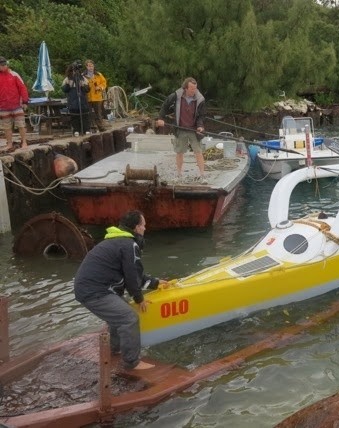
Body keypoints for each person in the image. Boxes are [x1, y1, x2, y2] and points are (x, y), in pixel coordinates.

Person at [74, 210, 166, 371]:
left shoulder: (118, 241)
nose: (145, 228)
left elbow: (134, 273)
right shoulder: (129, 245)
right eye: (144, 225)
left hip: (92, 288)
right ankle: (132, 362)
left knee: (118, 317)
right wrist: (139, 299)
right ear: (137, 227)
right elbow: (131, 277)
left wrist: (156, 283)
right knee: (129, 318)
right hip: (95, 291)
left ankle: (113, 350)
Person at [156, 77, 206, 179]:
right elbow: (165, 105)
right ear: (185, 88)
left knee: (198, 151)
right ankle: (179, 173)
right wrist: (161, 118)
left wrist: (200, 126)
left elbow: (202, 115)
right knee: (179, 152)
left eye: (195, 88)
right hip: (180, 128)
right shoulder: (176, 95)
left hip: (194, 129)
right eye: (192, 89)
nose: (194, 91)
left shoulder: (200, 99)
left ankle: (202, 174)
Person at [0, 56, 29, 149]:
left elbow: (23, 88)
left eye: (4, 64)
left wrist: (25, 101)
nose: (3, 66)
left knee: (21, 125)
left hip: (17, 105)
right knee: (6, 127)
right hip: (3, 106)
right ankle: (9, 144)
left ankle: (24, 142)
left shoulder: (14, 74)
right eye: (1, 65)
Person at [61, 61, 90, 134]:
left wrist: (83, 85)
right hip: (73, 99)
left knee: (84, 114)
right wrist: (68, 85)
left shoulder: (82, 78)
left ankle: (86, 129)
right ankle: (76, 129)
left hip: (82, 99)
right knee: (74, 115)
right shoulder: (68, 78)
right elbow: (64, 89)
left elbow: (87, 89)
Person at [83, 59, 107, 132]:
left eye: (92, 66)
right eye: (89, 66)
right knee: (88, 114)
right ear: (86, 67)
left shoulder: (98, 74)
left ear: (94, 66)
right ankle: (89, 128)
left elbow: (104, 83)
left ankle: (101, 127)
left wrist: (99, 87)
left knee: (98, 114)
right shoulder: (83, 75)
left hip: (97, 97)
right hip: (88, 97)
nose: (90, 67)